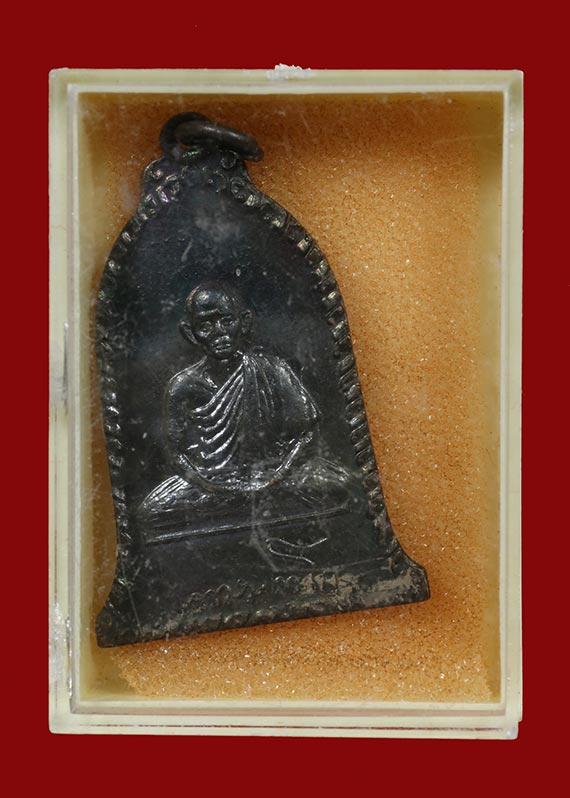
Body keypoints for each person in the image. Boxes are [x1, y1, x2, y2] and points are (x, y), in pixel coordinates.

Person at [139, 282, 352, 551]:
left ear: (245, 322)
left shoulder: (271, 369)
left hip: (277, 474)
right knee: (151, 512)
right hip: (211, 485)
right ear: (190, 334)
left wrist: (276, 477)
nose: (219, 332)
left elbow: (307, 433)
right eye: (206, 326)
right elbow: (176, 455)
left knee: (337, 485)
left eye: (227, 321)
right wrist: (214, 487)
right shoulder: (184, 386)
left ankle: (255, 509)